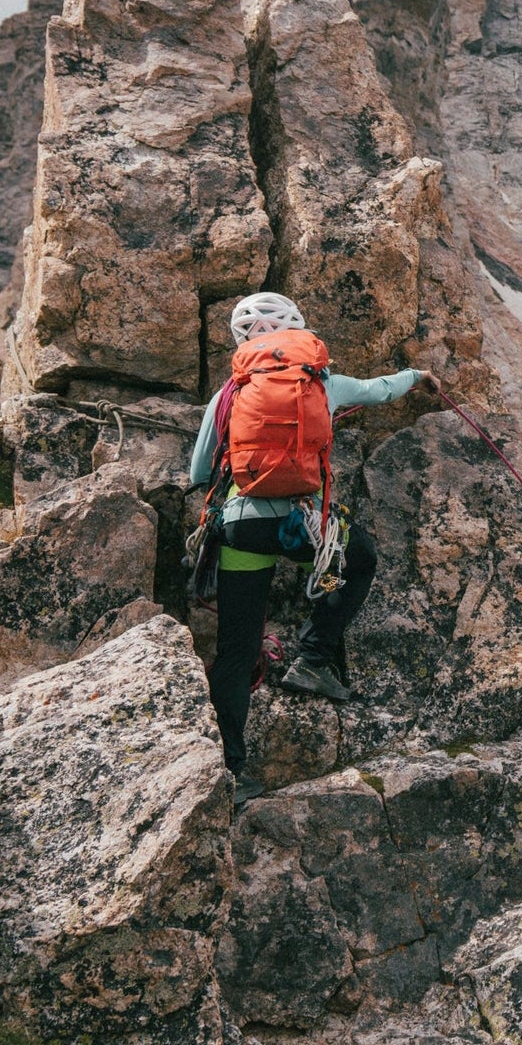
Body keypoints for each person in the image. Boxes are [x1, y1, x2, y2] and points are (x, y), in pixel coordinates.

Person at [189, 292, 434, 803]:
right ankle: (315, 657)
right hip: (304, 526)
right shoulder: (323, 382)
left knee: (236, 649)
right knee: (360, 559)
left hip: (242, 527)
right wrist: (416, 377)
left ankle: (231, 774)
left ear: (243, 344)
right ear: (298, 332)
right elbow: (380, 390)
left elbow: (197, 473)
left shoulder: (230, 393)